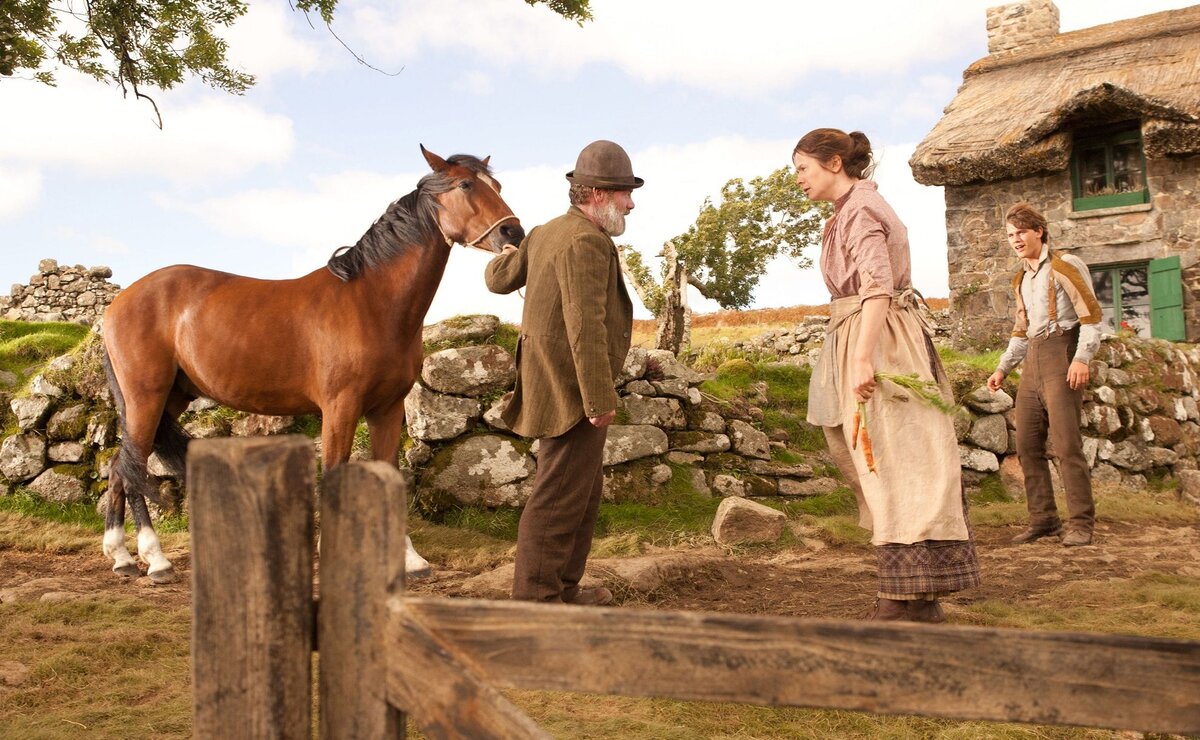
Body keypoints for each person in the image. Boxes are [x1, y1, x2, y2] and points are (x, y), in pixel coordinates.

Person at [796, 128, 979, 623]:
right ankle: (912, 595)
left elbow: (877, 286)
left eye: (803, 169)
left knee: (896, 461)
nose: (799, 180)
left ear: (834, 163)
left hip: (882, 344)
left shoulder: (860, 209)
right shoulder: (848, 211)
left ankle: (907, 599)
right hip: (864, 333)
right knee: (885, 464)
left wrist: (861, 358)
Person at [485, 140, 639, 605]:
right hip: (570, 387)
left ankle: (562, 588)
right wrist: (598, 400)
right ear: (594, 194)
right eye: (623, 194)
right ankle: (537, 601)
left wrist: (505, 251)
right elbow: (585, 326)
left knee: (580, 494)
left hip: (552, 378)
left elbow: (498, 280)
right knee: (557, 497)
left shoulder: (546, 232)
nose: (630, 203)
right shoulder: (586, 241)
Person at [987, 202, 1101, 547]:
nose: (1016, 239)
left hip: (1062, 353)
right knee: (1027, 445)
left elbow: (1092, 317)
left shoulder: (1065, 265)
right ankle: (1044, 520)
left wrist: (1081, 358)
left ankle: (1081, 523)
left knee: (1067, 444)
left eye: (1021, 232)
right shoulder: (1020, 277)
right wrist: (1003, 367)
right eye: (1010, 235)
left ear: (1038, 231)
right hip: (1033, 360)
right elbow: (1021, 330)